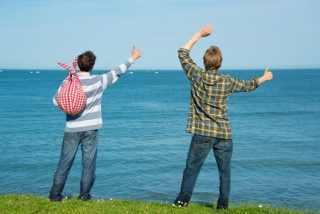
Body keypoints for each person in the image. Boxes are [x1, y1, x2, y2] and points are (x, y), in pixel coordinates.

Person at [173, 25, 273, 209]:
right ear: (220, 63)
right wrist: (265, 77)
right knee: (225, 172)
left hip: (202, 132)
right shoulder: (227, 80)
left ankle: (181, 202)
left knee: (191, 169)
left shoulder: (197, 75)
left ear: (204, 61)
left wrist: (199, 35)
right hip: (224, 133)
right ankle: (223, 206)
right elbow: (249, 85)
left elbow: (182, 52)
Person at [49, 47, 141, 201]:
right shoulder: (98, 81)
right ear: (92, 65)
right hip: (91, 129)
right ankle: (84, 196)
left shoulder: (68, 81)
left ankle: (55, 195)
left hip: (71, 128)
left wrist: (70, 109)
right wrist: (133, 57)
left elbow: (55, 101)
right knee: (88, 164)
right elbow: (118, 71)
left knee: (64, 163)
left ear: (78, 65)